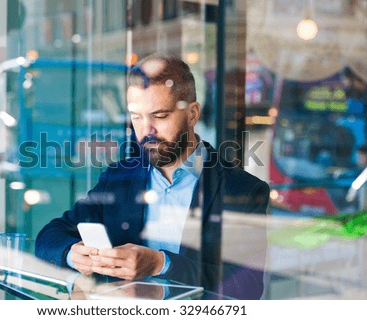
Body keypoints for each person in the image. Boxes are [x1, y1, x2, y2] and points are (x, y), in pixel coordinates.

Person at [35, 53, 270, 299]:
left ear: (192, 114)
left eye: (159, 116)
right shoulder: (118, 178)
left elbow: (248, 287)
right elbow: (50, 236)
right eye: (136, 117)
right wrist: (72, 253)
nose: (147, 131)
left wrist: (162, 263)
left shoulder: (244, 189)